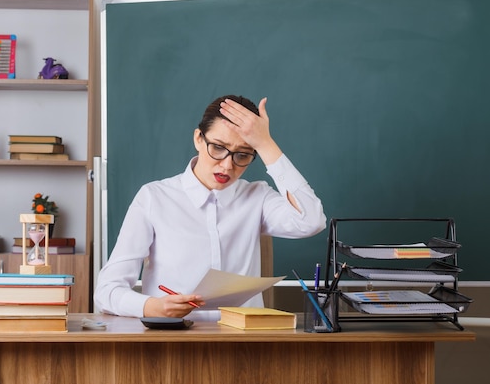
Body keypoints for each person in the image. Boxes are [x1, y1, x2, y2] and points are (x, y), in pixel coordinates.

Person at [94, 95, 326, 321]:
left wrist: (265, 144)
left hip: (245, 344)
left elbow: (311, 221)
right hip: (173, 344)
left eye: (242, 155)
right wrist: (152, 307)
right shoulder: (154, 197)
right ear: (198, 139)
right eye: (217, 147)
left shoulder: (258, 196)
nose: (227, 165)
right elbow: (106, 291)